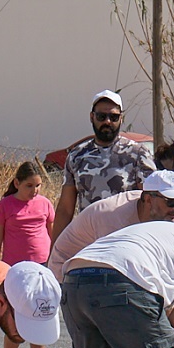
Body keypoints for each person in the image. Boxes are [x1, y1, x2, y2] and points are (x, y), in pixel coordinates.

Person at [41, 171, 174, 348]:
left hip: (105, 273)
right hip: (71, 270)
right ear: (148, 199)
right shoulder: (114, 218)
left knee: (130, 337)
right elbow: (108, 268)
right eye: (170, 202)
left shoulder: (159, 219)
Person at [53, 89, 154, 238]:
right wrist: (55, 254)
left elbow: (150, 203)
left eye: (113, 117)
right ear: (91, 117)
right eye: (101, 116)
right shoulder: (76, 156)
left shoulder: (138, 154)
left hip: (126, 241)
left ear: (121, 118)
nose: (107, 121)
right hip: (88, 243)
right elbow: (65, 210)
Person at [0, 160, 56, 348]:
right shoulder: (5, 206)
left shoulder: (45, 204)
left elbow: (52, 235)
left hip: (41, 269)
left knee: (40, 315)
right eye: (29, 186)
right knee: (14, 317)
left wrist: (55, 265)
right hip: (15, 271)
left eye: (37, 186)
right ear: (17, 183)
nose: (34, 191)